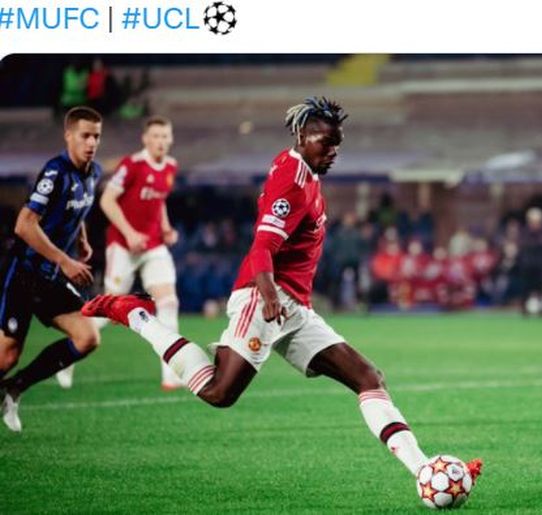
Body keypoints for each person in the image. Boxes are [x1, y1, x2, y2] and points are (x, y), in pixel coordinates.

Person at [81, 97, 482, 483]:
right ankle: (136, 315)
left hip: (294, 306)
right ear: (302, 138)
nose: (333, 151)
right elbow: (262, 245)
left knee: (368, 377)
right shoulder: (292, 180)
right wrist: (270, 295)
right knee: (220, 391)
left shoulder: (303, 174)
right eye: (326, 143)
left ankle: (424, 470)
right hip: (266, 298)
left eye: (337, 144)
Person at [56, 116, 182, 391]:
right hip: (123, 246)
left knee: (169, 303)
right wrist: (130, 233)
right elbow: (106, 200)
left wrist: (166, 227)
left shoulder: (171, 167)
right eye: (156, 136)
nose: (161, 141)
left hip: (153, 247)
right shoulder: (132, 165)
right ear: (146, 139)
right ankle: (69, 353)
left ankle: (170, 376)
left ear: (170, 139)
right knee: (112, 313)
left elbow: (158, 201)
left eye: (165, 136)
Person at [0, 107, 103, 432]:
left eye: (96, 136)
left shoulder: (93, 172)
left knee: (87, 337)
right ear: (68, 136)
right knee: (7, 356)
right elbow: (24, 224)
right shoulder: (55, 172)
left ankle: (14, 388)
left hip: (50, 277)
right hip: (25, 273)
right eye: (85, 135)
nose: (91, 143)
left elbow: (77, 210)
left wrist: (82, 240)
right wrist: (66, 260)